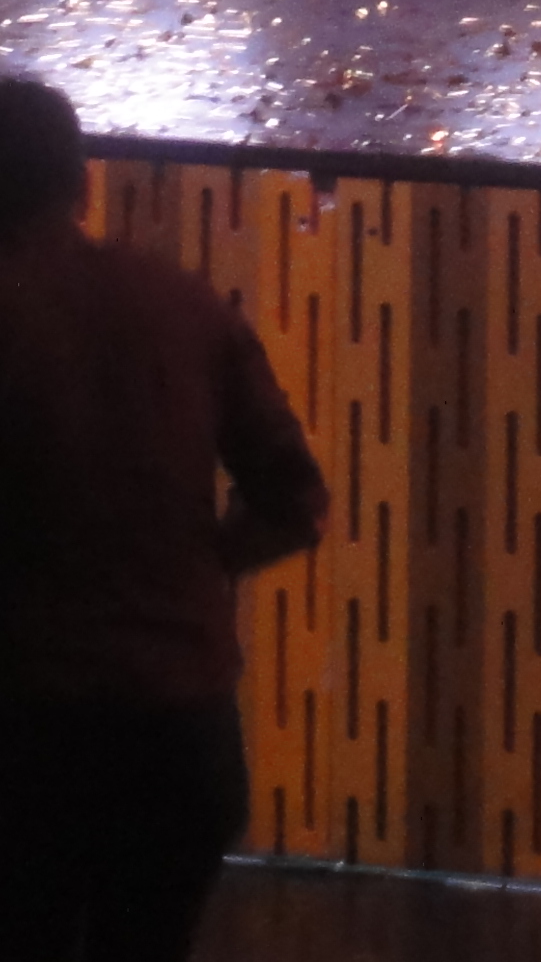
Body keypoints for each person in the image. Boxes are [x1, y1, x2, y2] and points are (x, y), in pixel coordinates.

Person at [0, 77, 328, 959]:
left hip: (25, 730)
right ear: (83, 186)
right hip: (182, 735)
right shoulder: (181, 303)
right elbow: (295, 502)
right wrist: (191, 567)